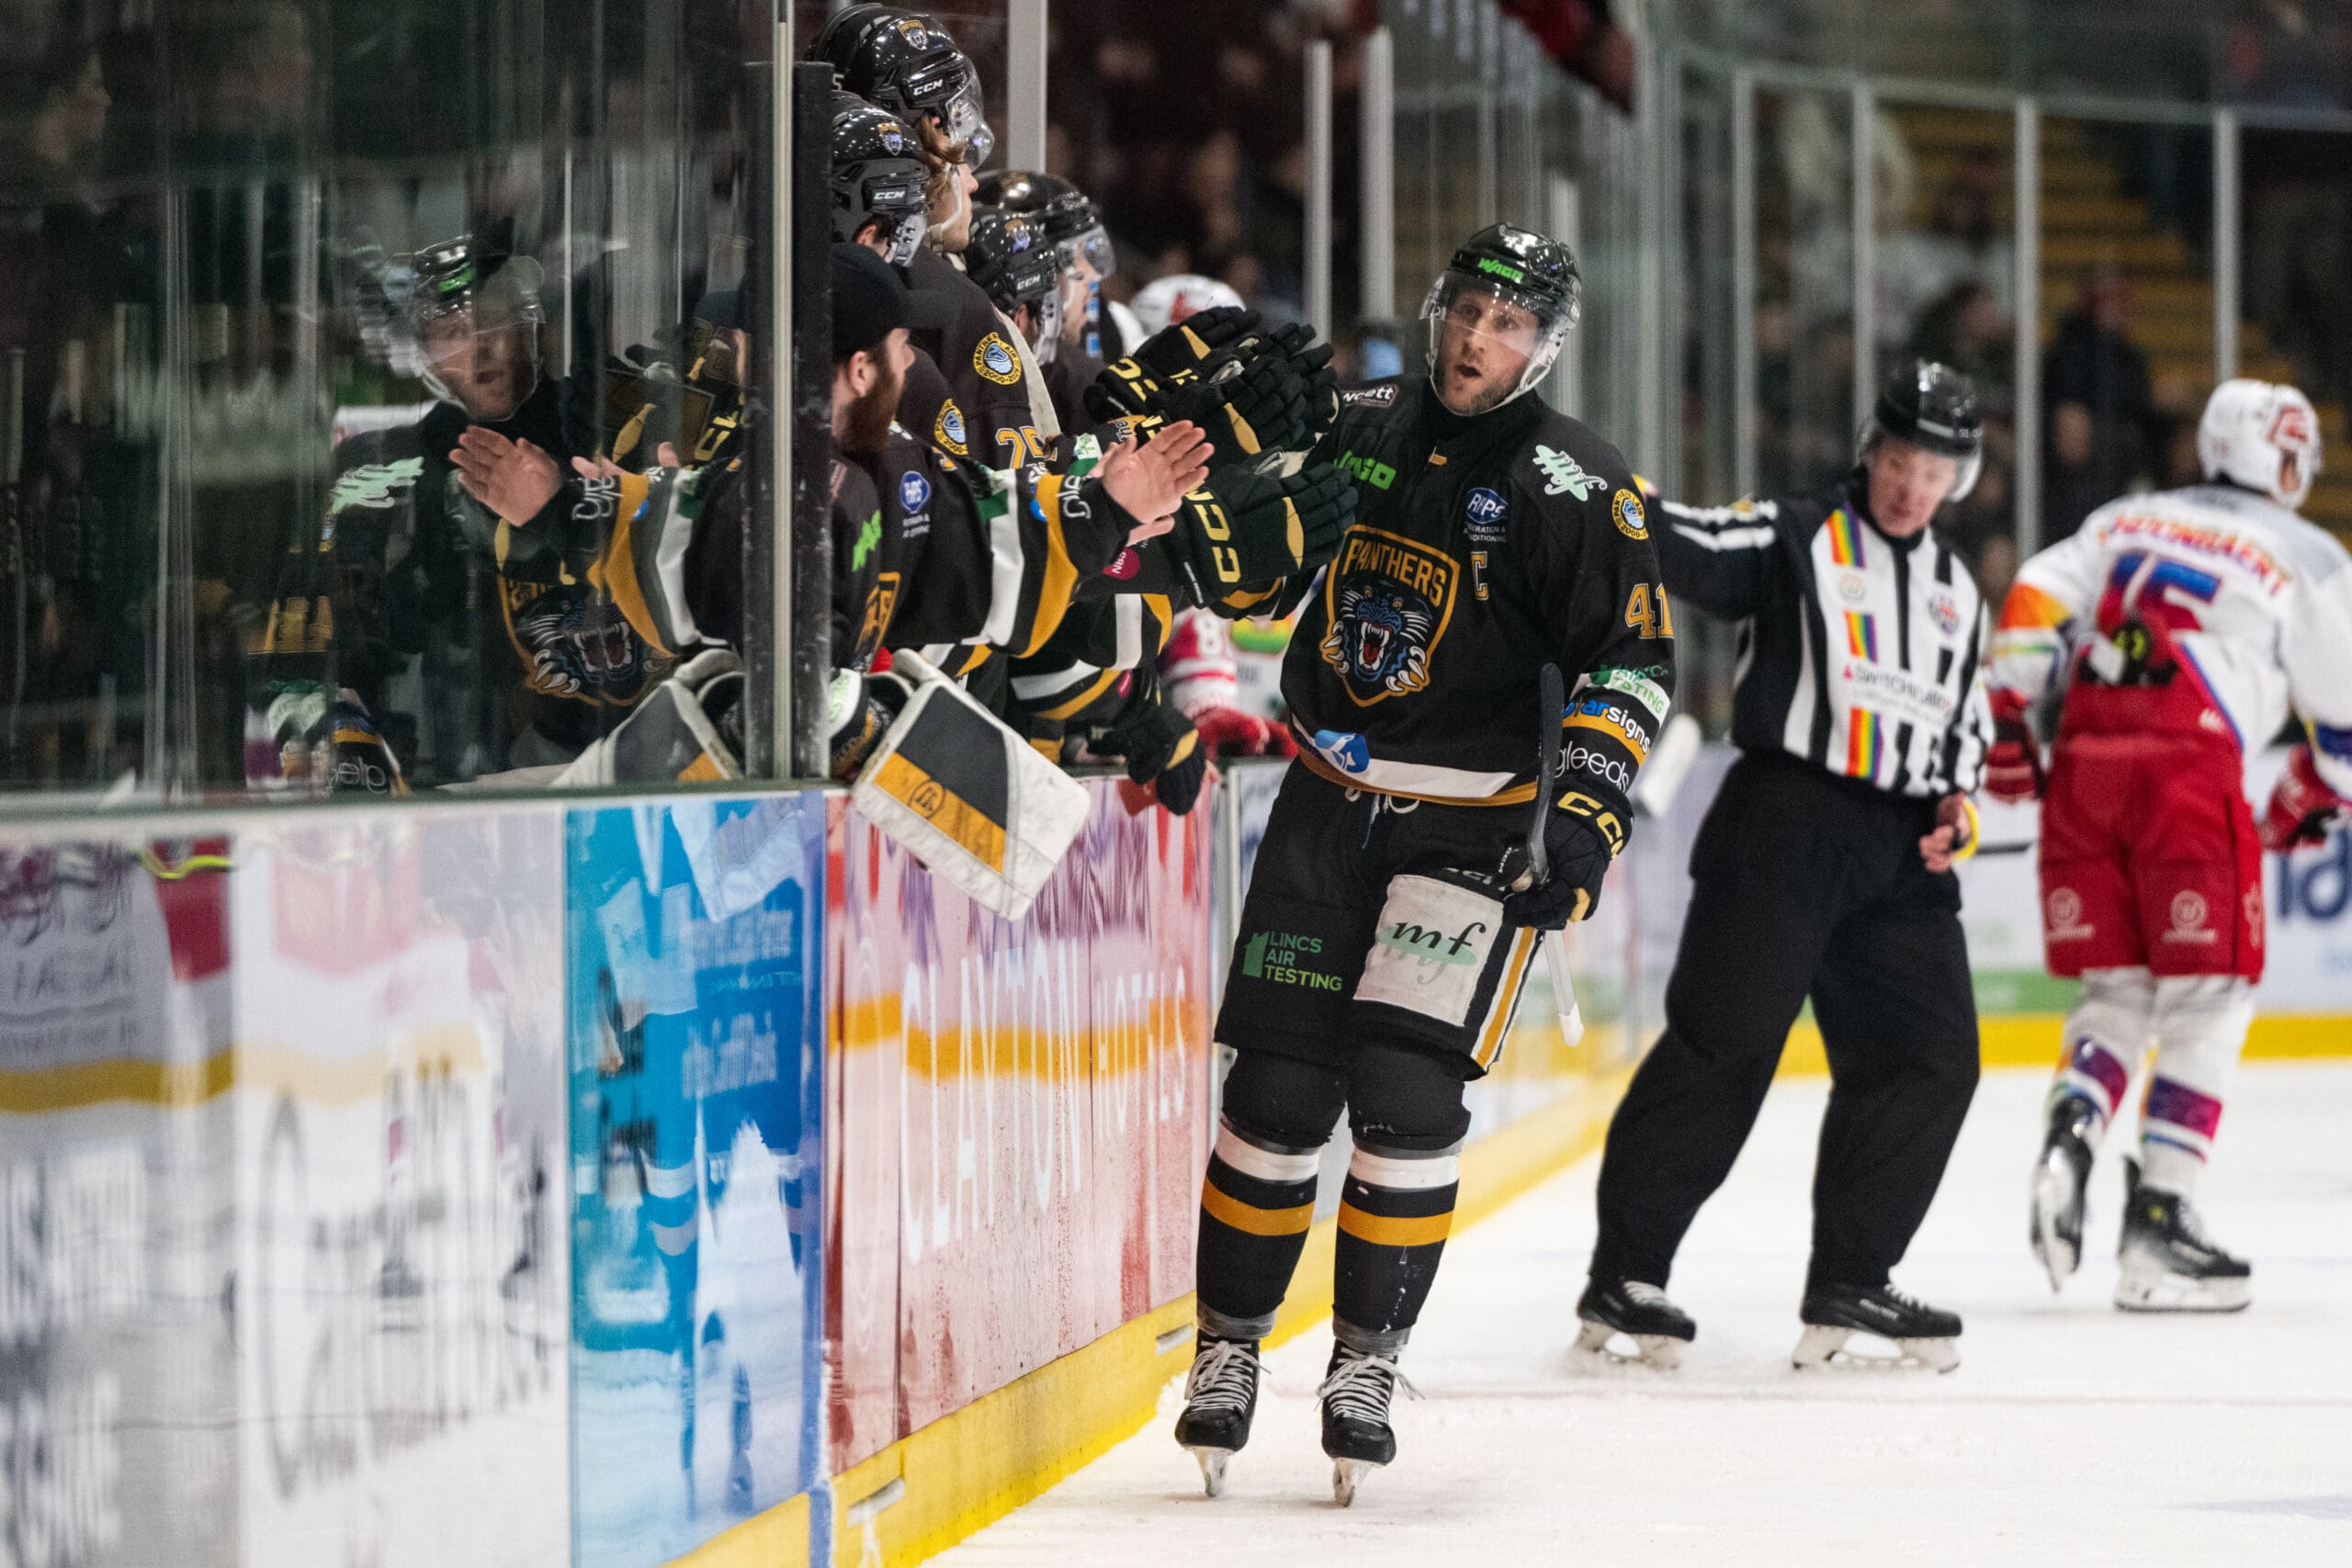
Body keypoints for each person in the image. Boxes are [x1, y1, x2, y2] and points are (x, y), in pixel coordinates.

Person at [1170, 224, 1668, 1503]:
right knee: (1277, 1091)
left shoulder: (1575, 482)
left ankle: (1364, 1361)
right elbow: (1224, 552)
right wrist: (1230, 436)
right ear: (1441, 308)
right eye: (1466, 311)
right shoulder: (1360, 422)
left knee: (1405, 1093)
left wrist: (1584, 818)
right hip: (1330, 798)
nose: (1476, 340)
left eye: (1510, 326)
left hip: (1474, 826)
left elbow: (1631, 662)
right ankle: (1226, 1348)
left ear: (1544, 346)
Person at [1582, 360, 1993, 1375]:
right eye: (1899, 459)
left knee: (1930, 1057)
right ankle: (1625, 1276)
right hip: (1785, 821)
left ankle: (1852, 1275)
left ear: (1960, 478)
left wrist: (1959, 802)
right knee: (1721, 1049)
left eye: (1933, 469)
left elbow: (1964, 723)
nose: (1911, 484)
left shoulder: (1956, 592)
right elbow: (1683, 537)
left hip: (1900, 854)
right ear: (1871, 450)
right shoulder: (1798, 531)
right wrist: (1593, 487)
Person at [1988, 378, 2352, 1312]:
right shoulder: (2307, 552)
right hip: (2186, 775)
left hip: (2084, 762)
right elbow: (2345, 717)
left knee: (2117, 992)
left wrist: (2003, 717)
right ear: (2281, 460)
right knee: (2209, 998)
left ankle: (2074, 1124)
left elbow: (2031, 595)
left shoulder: (2125, 517)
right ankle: (2160, 1219)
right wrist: (2318, 787)